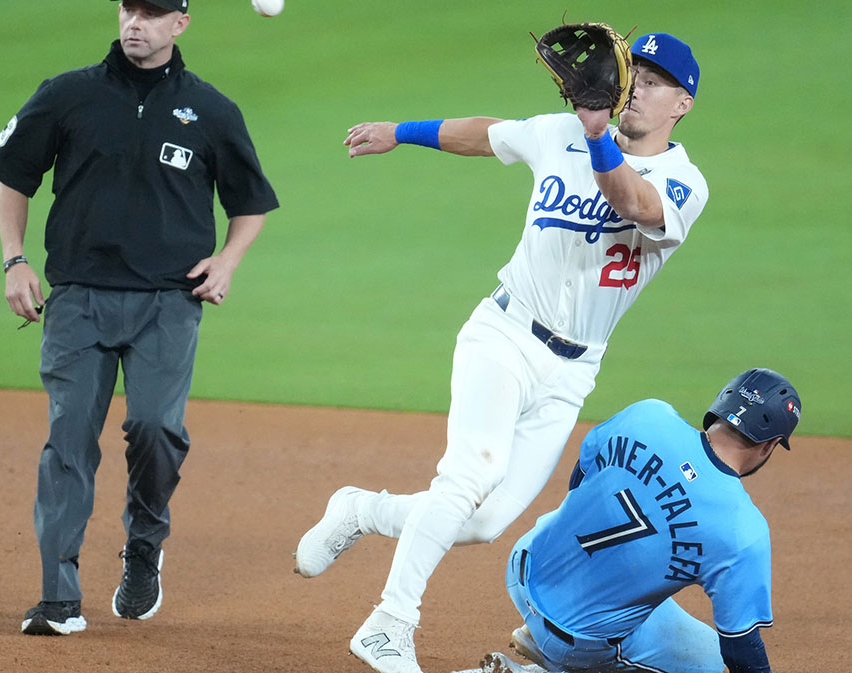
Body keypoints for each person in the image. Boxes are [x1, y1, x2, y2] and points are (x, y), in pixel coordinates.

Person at [293, 32, 708, 673]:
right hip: (504, 335)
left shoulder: (684, 182)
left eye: (655, 82)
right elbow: (488, 133)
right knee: (466, 477)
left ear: (683, 103)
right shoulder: (559, 133)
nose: (638, 88)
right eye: (636, 73)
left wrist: (598, 135)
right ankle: (389, 623)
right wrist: (400, 131)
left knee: (483, 521)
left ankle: (361, 509)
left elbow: (632, 202)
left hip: (573, 370)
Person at [0, 0, 278, 636]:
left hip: (170, 302)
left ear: (181, 23)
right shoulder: (66, 95)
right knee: (67, 444)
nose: (136, 22)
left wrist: (227, 261)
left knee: (154, 430)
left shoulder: (213, 110)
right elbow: (14, 177)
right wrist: (14, 261)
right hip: (78, 297)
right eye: (128, 8)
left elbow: (250, 203)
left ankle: (144, 542)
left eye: (153, 11)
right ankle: (57, 598)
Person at [493, 368, 802, 673]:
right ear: (770, 444)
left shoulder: (648, 415)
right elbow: (740, 647)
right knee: (708, 661)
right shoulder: (742, 530)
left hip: (524, 568)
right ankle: (554, 663)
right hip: (579, 641)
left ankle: (545, 636)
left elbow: (580, 481)